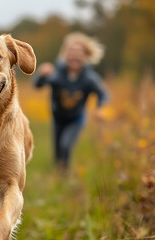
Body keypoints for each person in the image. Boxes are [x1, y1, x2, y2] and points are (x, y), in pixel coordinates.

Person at [34, 32, 108, 169]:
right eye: (71, 52)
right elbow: (38, 85)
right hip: (58, 118)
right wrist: (41, 74)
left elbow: (103, 94)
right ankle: (60, 175)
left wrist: (99, 108)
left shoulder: (89, 78)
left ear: (86, 56)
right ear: (65, 55)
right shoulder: (57, 74)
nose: (75, 55)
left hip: (76, 119)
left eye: (79, 52)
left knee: (65, 145)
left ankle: (64, 172)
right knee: (57, 151)